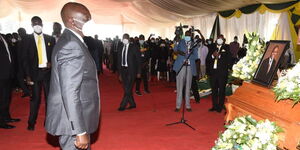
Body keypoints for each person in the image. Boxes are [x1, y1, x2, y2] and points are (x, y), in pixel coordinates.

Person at [45, 2, 100, 150]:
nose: (90, 22)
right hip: (72, 125)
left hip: (77, 118)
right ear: (72, 20)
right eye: (86, 18)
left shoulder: (74, 41)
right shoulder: (71, 45)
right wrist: (79, 130)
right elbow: (70, 91)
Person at [22, 16, 56, 130]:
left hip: (47, 73)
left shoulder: (50, 38)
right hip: (34, 73)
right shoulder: (27, 39)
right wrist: (27, 75)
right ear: (31, 25)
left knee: (49, 99)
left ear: (42, 24)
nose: (37, 25)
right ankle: (31, 123)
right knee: (35, 99)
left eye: (39, 23)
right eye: (34, 23)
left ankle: (49, 122)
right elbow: (25, 59)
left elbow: (54, 54)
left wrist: (51, 62)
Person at [173, 30, 198, 112]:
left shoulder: (194, 44)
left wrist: (189, 58)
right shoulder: (180, 41)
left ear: (191, 35)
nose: (187, 36)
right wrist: (176, 42)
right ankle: (178, 105)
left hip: (190, 67)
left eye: (189, 35)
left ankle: (188, 105)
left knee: (188, 87)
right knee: (179, 86)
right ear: (184, 35)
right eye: (186, 34)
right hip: (181, 66)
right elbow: (175, 50)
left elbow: (196, 56)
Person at [0, 33, 21, 129]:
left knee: (7, 98)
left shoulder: (2, 37)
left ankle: (7, 117)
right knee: (2, 99)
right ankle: (1, 122)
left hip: (8, 74)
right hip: (1, 75)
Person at [207, 35, 231, 113]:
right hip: (213, 73)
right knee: (214, 90)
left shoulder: (227, 47)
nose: (219, 40)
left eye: (221, 38)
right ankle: (214, 106)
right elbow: (207, 59)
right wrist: (212, 55)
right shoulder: (212, 47)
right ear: (216, 39)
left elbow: (229, 59)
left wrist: (219, 56)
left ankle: (220, 106)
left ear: (223, 40)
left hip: (222, 73)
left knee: (221, 90)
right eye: (218, 38)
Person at [117, 33, 141, 111]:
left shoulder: (134, 47)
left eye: (126, 38)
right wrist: (119, 73)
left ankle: (122, 105)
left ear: (129, 39)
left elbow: (138, 60)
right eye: (123, 38)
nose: (124, 40)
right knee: (126, 87)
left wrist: (139, 72)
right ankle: (132, 104)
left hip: (132, 70)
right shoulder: (120, 47)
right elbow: (119, 60)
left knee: (128, 88)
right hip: (123, 70)